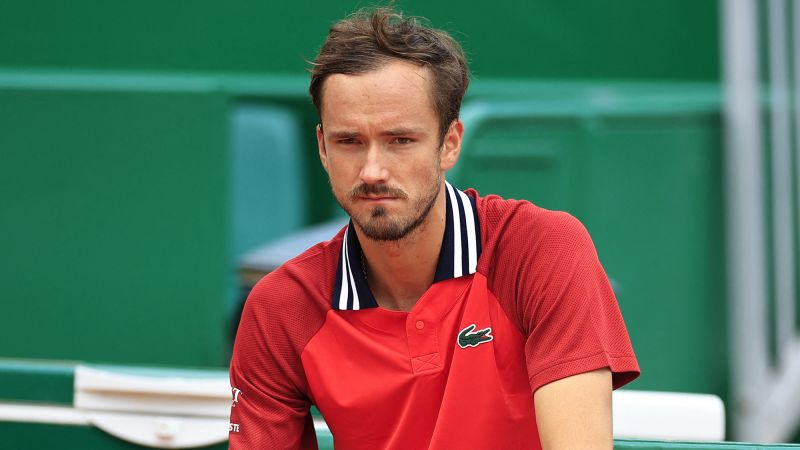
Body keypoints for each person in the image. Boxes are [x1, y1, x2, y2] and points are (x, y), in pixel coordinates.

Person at [229, 7, 639, 450]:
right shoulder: (280, 308)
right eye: (349, 141)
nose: (372, 171)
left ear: (450, 144)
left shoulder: (542, 249)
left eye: (400, 140)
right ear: (323, 149)